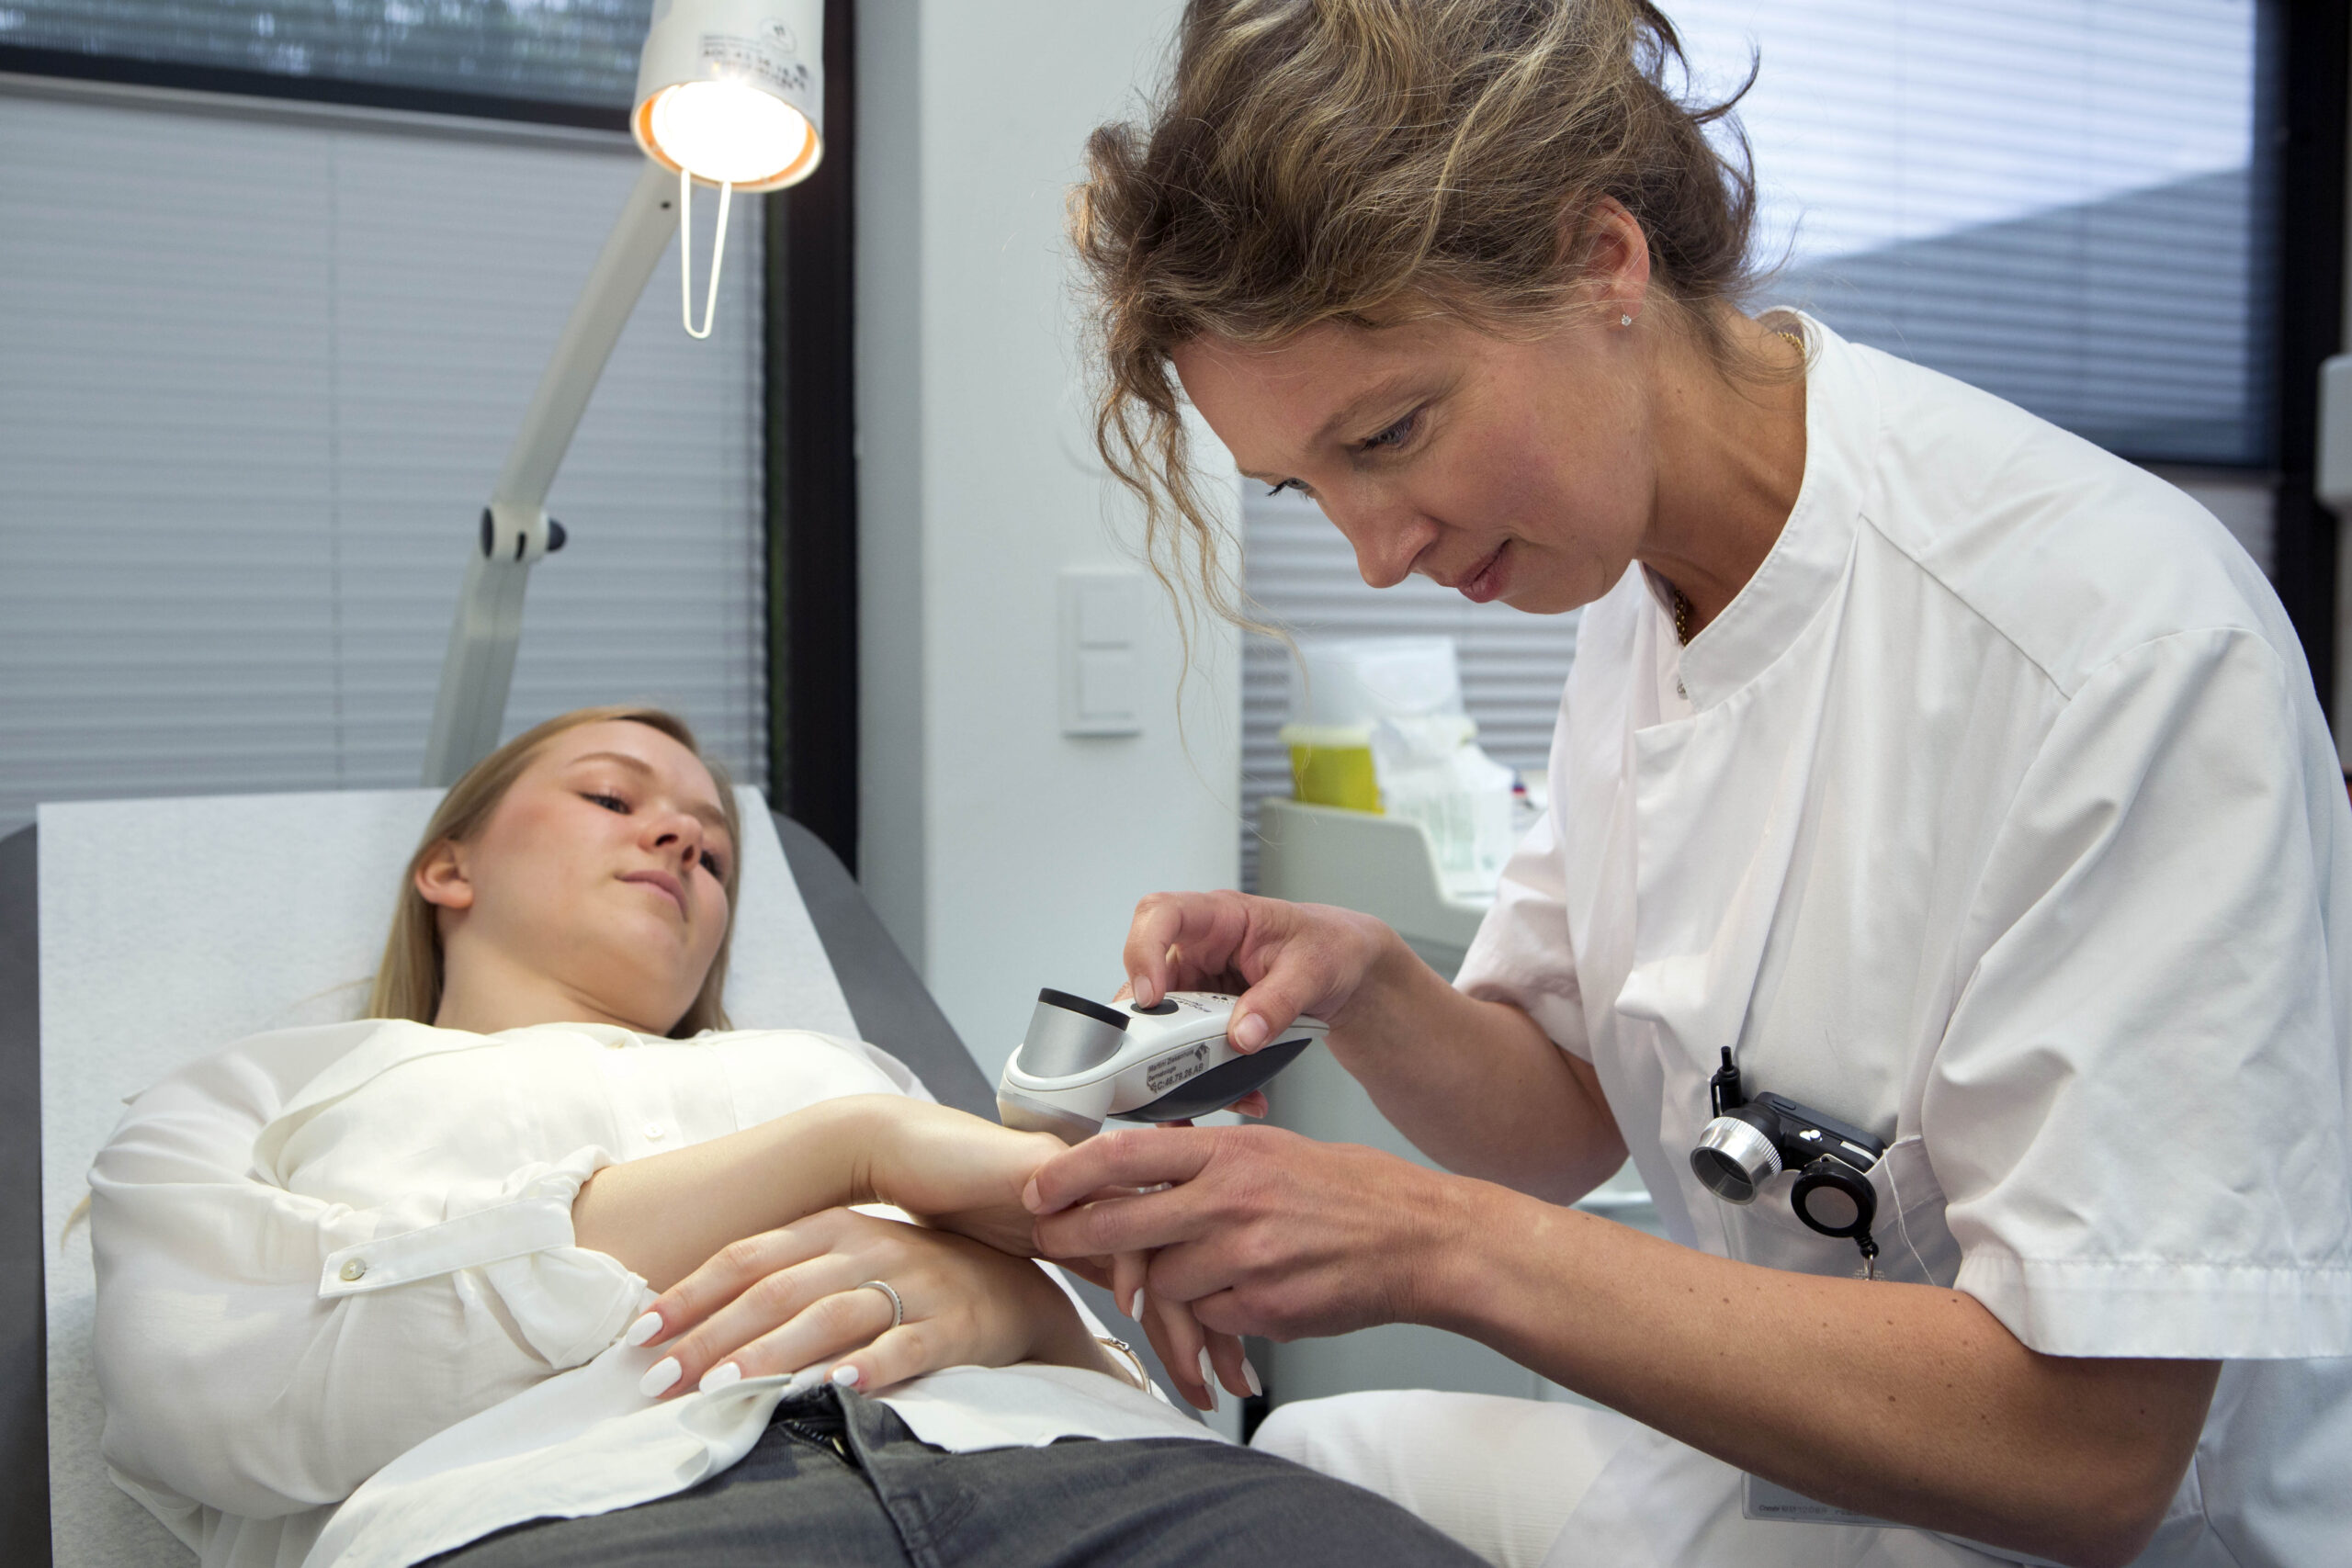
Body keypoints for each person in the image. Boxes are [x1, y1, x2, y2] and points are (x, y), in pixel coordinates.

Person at [1021, 4, 2352, 1567]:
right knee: (1302, 1461)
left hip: (2079, 1540)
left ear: (1604, 262)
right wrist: (1371, 985)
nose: (1379, 551)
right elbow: (1569, 1107)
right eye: (1313, 488)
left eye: (1393, 431)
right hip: (1800, 1494)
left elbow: (2088, 1450)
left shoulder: (2113, 646)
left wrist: (1438, 1249)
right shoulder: (1636, 596)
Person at [88, 705, 1482, 1568]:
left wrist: (1015, 1305)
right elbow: (211, 1401)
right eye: (614, 798)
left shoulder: (817, 1059)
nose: (683, 842)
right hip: (579, 1524)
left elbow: (1136, 1374)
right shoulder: (259, 1097)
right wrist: (846, 1154)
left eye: (713, 844)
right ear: (448, 865)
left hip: (1081, 1478)